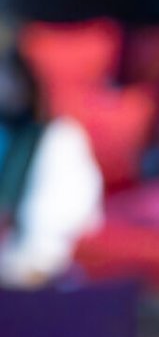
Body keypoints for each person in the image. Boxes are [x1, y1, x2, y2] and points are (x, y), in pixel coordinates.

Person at [0, 23, 103, 286]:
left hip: (27, 272)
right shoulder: (6, 135)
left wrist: (28, 268)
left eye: (8, 73)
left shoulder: (60, 141)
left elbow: (54, 230)